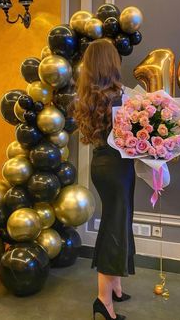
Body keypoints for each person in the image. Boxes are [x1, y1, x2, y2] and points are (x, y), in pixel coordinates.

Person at [74, 39, 135, 320]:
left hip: (106, 167)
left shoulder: (91, 94)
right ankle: (103, 300)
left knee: (119, 223)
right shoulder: (118, 96)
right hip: (115, 170)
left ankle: (117, 288)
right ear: (111, 62)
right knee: (115, 228)